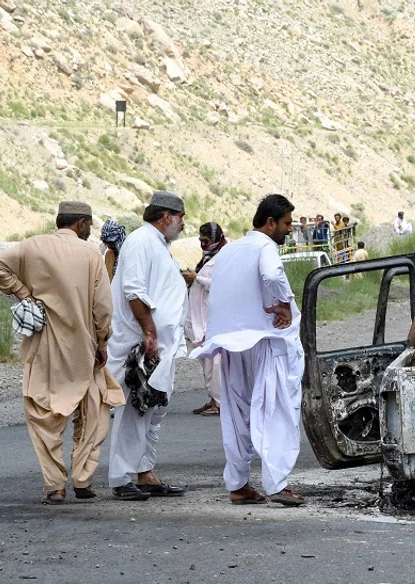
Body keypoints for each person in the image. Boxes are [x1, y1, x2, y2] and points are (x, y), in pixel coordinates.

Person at [0, 201, 124, 504]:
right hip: (83, 348)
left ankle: (55, 485)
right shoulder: (91, 254)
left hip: (43, 347)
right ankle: (83, 479)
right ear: (82, 223)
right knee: (93, 412)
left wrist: (23, 293)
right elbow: (102, 307)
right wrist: (102, 343)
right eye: (89, 225)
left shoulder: (31, 246)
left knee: (43, 414)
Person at [191, 194, 306, 507]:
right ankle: (277, 483)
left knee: (236, 413)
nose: (287, 231)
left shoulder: (230, 251)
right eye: (286, 225)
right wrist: (283, 302)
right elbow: (271, 275)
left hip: (232, 344)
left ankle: (239, 484)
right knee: (274, 409)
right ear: (270, 223)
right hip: (264, 341)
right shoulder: (264, 246)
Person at [107, 191, 189, 501]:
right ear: (166, 216)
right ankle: (120, 476)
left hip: (160, 346)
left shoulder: (159, 245)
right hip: (141, 344)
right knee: (136, 408)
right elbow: (133, 291)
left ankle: (145, 472)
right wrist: (150, 333)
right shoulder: (142, 241)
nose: (183, 225)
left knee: (156, 407)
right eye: (181, 218)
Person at [184, 222, 226, 417]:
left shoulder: (225, 257)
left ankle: (219, 402)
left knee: (214, 363)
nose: (202, 244)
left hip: (213, 318)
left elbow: (222, 285)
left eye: (206, 240)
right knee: (206, 360)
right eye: (200, 240)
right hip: (202, 316)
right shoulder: (208, 257)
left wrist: (197, 279)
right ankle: (213, 397)